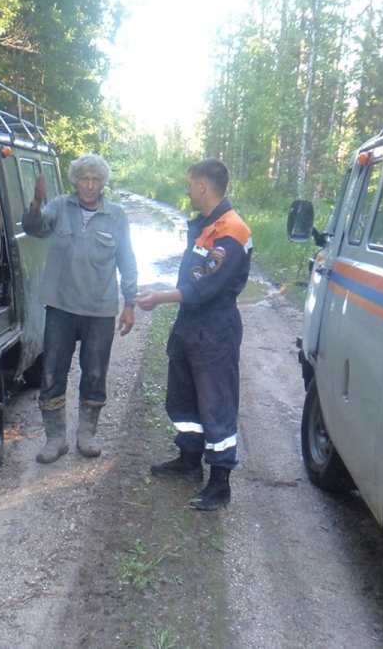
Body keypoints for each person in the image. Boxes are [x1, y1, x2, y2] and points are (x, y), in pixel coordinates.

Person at [134, 158, 251, 511]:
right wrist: (180, 319)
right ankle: (188, 460)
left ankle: (219, 483)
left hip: (214, 329)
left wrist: (159, 298)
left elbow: (203, 287)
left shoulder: (232, 231)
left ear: (202, 185)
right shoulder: (208, 226)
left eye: (189, 183)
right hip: (191, 325)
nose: (186, 189)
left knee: (216, 404)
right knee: (183, 399)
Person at [24, 153, 138, 464]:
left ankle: (87, 434)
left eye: (95, 180)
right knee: (51, 374)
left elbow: (127, 261)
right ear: (75, 181)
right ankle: (55, 439)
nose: (89, 185)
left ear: (103, 183)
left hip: (100, 310)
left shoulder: (116, 216)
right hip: (61, 307)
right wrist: (36, 200)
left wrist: (129, 304)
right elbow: (33, 227)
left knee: (95, 374)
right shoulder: (59, 206)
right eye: (84, 179)